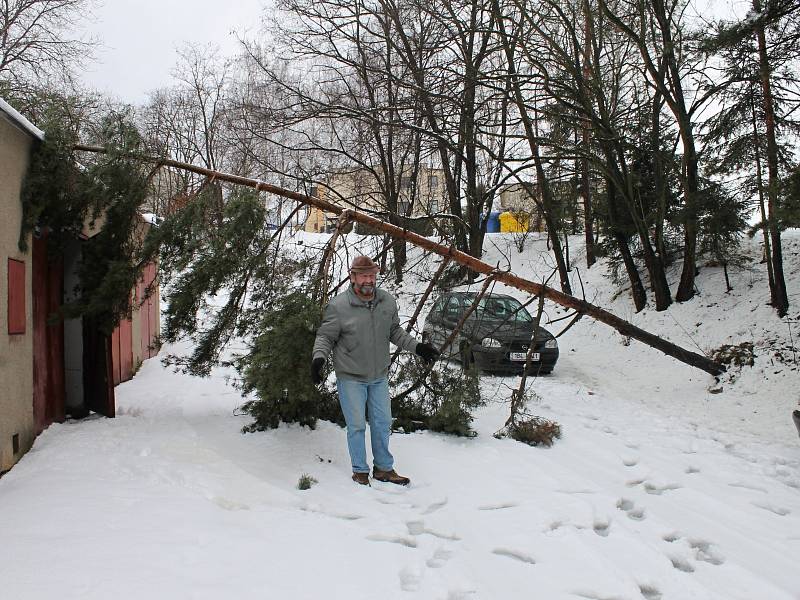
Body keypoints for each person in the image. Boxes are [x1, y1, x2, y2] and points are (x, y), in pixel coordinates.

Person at [311, 255, 440, 486]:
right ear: (353, 277)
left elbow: (395, 333)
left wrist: (419, 348)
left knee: (382, 422)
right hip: (351, 377)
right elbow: (325, 337)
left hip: (379, 375)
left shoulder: (386, 302)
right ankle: (360, 471)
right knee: (357, 425)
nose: (369, 280)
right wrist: (318, 360)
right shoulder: (339, 306)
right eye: (364, 276)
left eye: (372, 276)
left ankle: (383, 469)